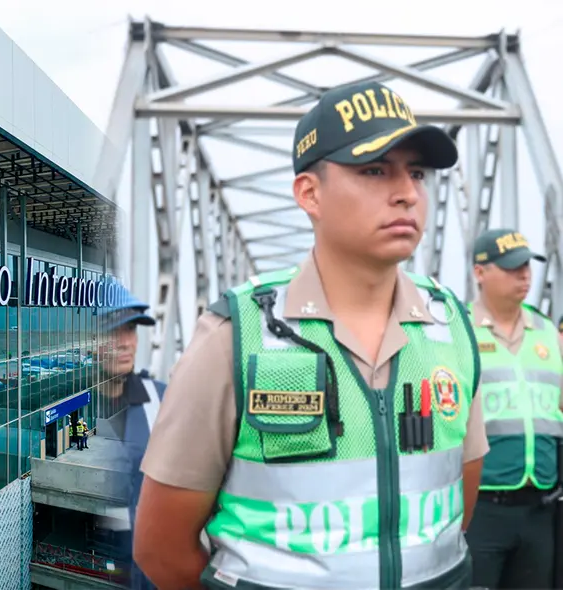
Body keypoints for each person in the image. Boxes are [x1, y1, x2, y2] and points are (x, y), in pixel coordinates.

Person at [133, 80, 488, 590]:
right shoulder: (237, 335)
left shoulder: (451, 327)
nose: (407, 193)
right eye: (374, 170)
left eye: (416, 172)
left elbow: (457, 504)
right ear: (309, 193)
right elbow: (160, 548)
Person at [465, 228, 563, 589]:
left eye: (527, 266)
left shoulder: (546, 332)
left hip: (540, 509)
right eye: (511, 267)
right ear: (480, 273)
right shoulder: (459, 331)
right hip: (482, 510)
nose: (524, 275)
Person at [97, 284, 165, 590]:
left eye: (131, 330)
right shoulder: (74, 407)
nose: (125, 343)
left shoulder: (165, 402)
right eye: (113, 332)